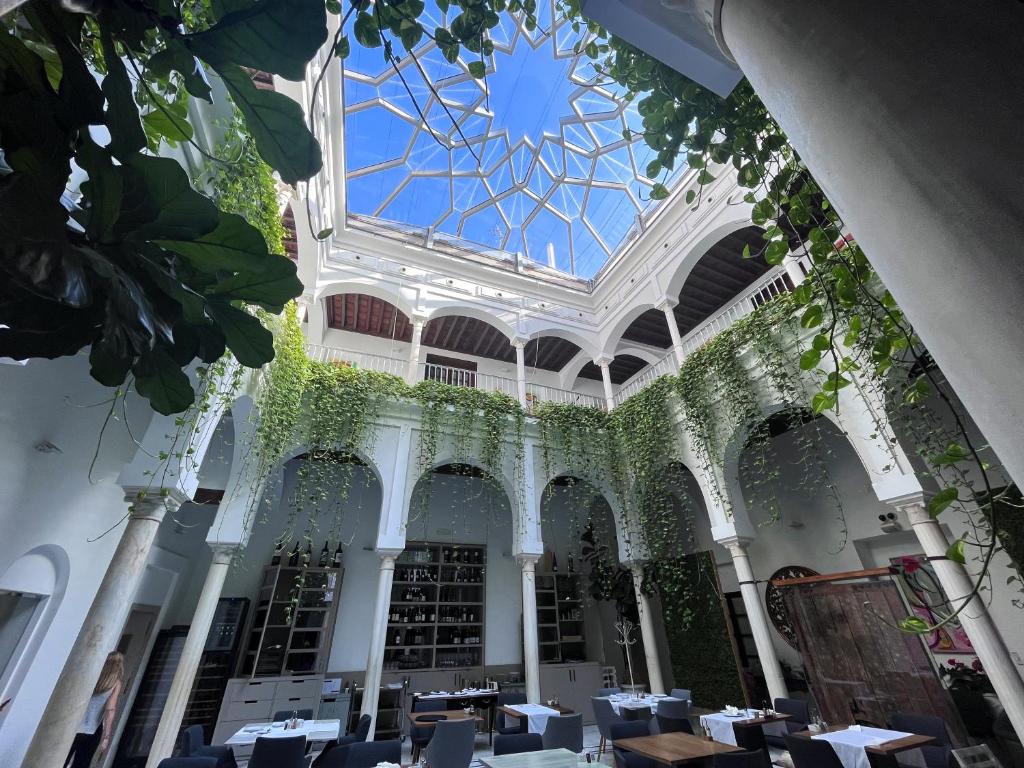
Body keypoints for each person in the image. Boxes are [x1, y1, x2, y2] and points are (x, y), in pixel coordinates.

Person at [65, 651, 124, 768]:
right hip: (92, 729)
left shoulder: (91, 675)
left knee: (61, 759)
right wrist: (106, 736)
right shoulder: (115, 683)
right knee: (82, 762)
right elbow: (110, 709)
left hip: (73, 725)